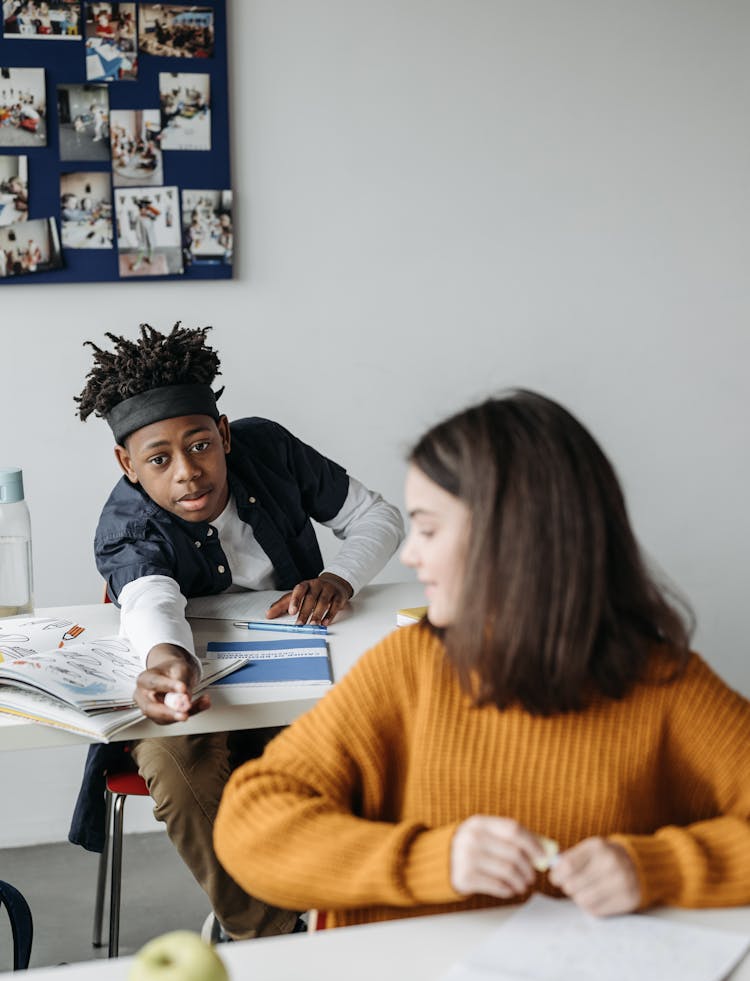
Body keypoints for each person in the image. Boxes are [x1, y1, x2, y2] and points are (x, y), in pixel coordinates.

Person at [213, 390, 750, 930]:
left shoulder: (664, 684)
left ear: (514, 539)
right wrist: (432, 859)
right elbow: (250, 825)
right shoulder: (412, 666)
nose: (410, 554)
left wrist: (655, 867)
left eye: (427, 529)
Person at [69, 322, 404, 941]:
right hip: (205, 688)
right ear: (128, 465)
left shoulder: (269, 450)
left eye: (199, 445)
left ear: (223, 433)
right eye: (159, 460)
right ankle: (268, 933)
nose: (188, 473)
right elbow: (149, 598)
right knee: (173, 759)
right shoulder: (124, 521)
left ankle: (367, 908)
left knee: (395, 724)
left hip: (306, 679)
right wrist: (168, 658)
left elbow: (376, 515)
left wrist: (340, 578)